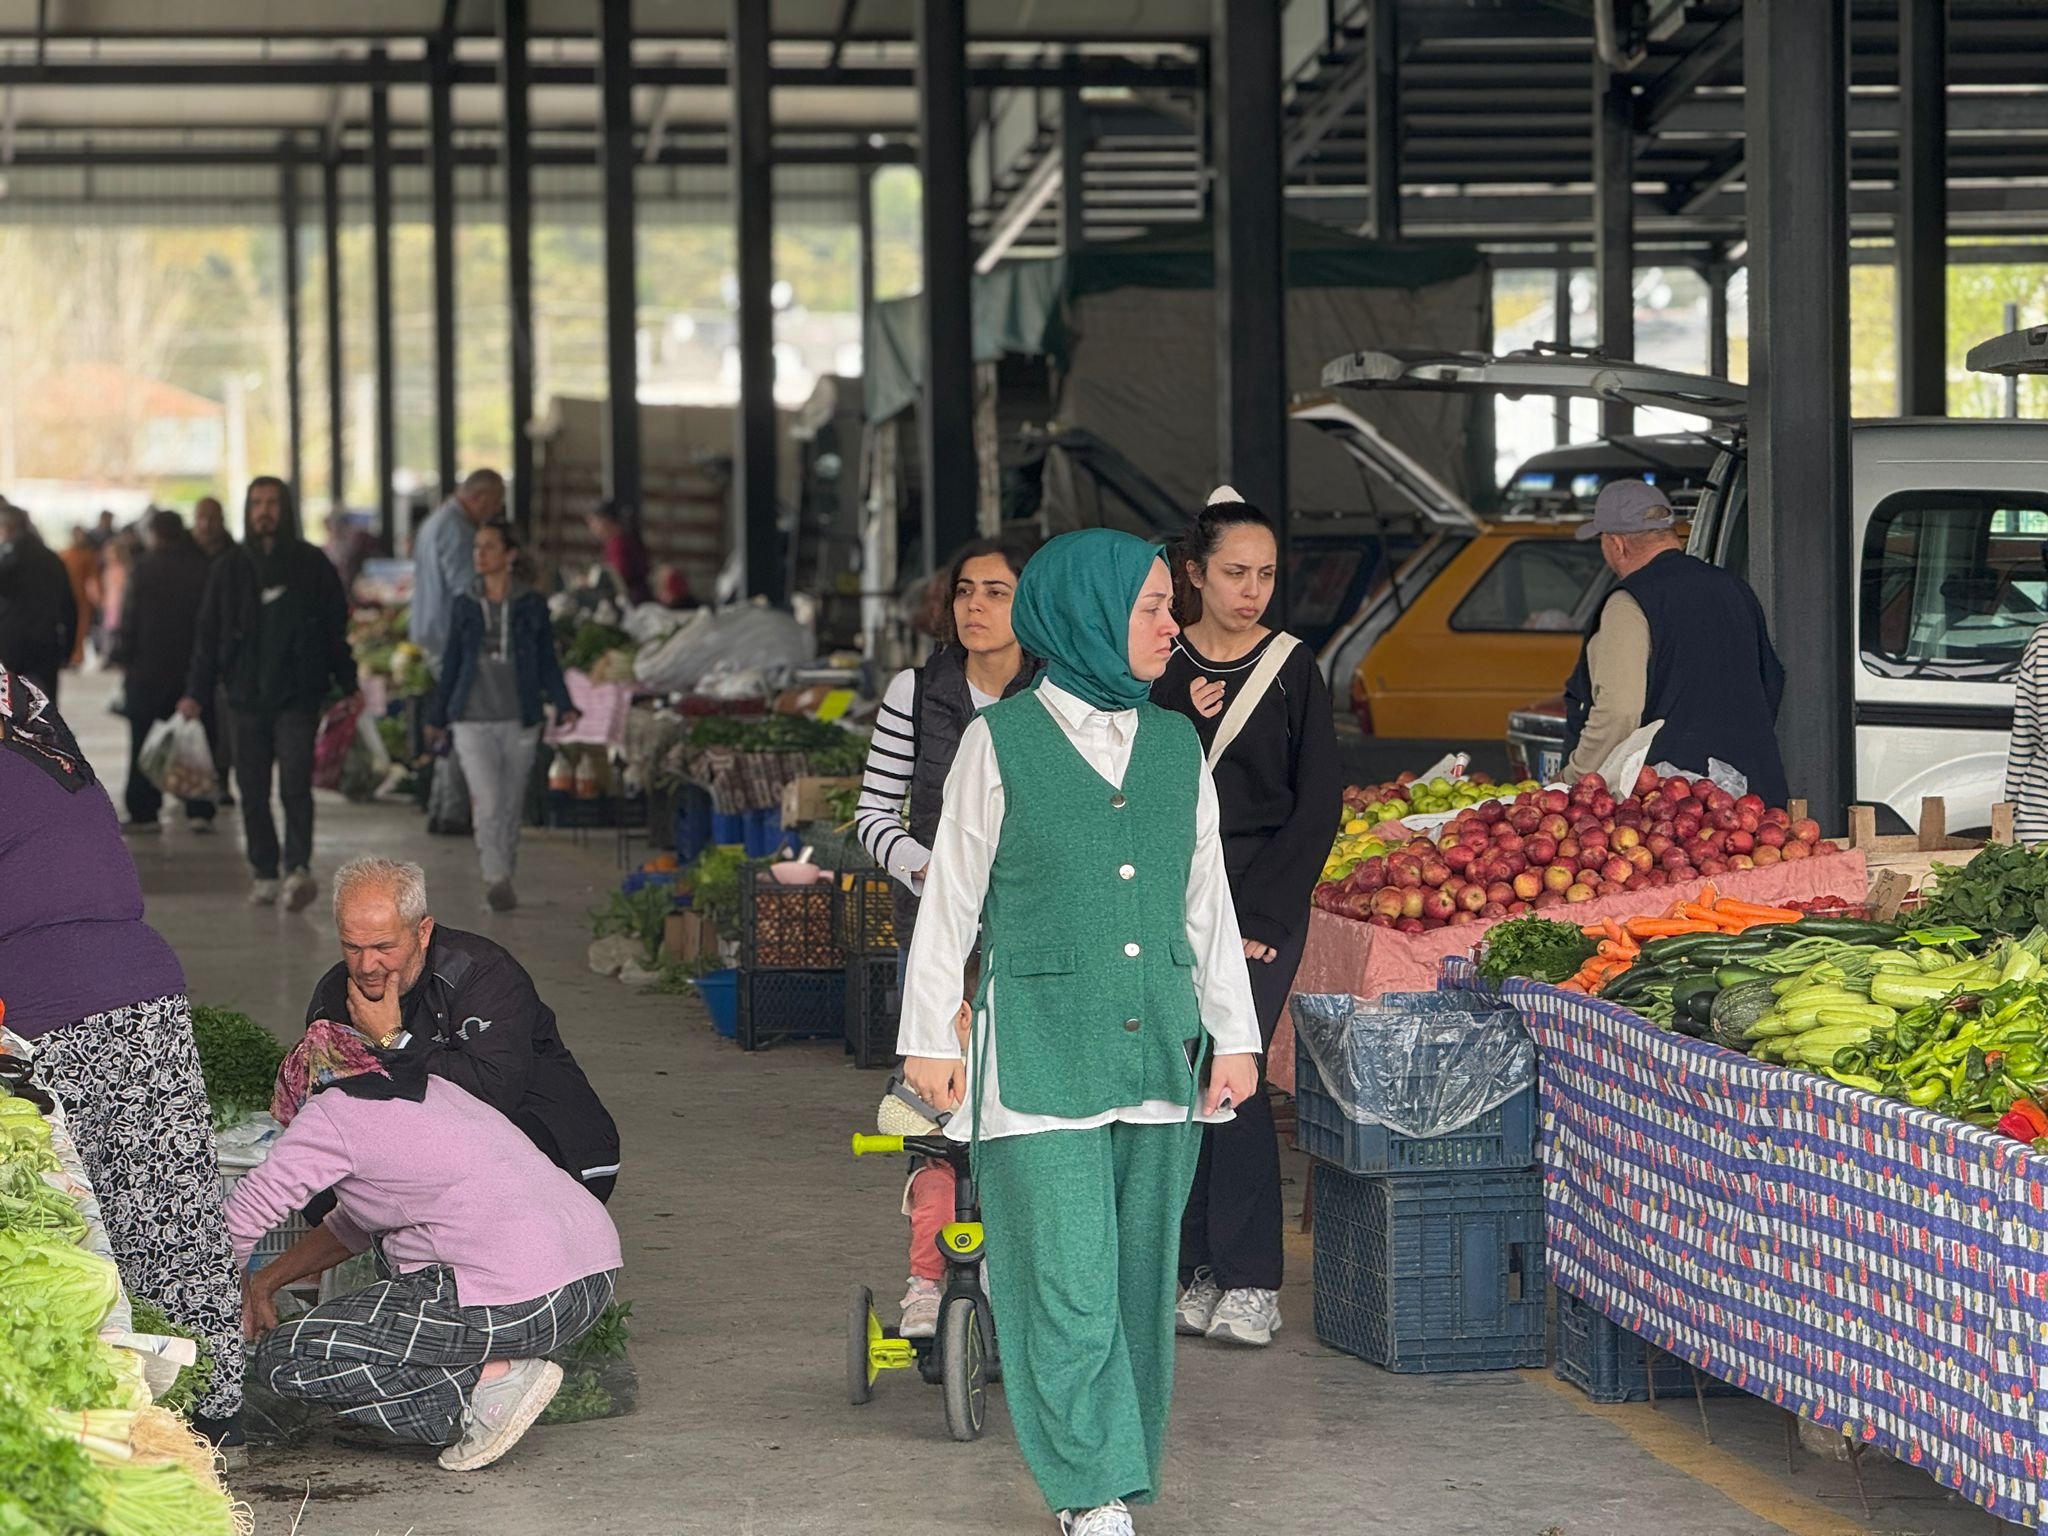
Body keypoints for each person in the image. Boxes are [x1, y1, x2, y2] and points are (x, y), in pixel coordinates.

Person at [901, 529, 1261, 1536]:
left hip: (1157, 1052)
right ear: (1088, 616)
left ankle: (1120, 1466)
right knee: (1061, 1280)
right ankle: (1087, 1491)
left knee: (1137, 1280)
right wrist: (928, 1036)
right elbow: (951, 903)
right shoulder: (998, 741)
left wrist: (1233, 1035)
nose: (1168, 625)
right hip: (1037, 1053)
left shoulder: (1175, 743)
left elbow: (1206, 904)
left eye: (1165, 605)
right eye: (1150, 607)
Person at [4, 665, 245, 1445]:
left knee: (76, 1229)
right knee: (174, 1211)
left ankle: (128, 1420)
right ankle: (211, 1408)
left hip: (53, 1009)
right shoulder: (47, 748)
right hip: (143, 989)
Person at [228, 1016, 620, 1471]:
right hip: (589, 1283)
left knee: (287, 1356)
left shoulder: (332, 1110)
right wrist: (263, 1283)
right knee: (386, 1273)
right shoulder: (434, 1091)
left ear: (301, 1089)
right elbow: (352, 1226)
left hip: (514, 1300)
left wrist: (211, 1302)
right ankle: (499, 1375)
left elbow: (247, 1210)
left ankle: (485, 1392)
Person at [1152, 488, 1340, 1348]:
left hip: (1261, 904)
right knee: (1178, 1080)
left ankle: (1254, 1279)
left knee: (1236, 1079)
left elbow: (1319, 806)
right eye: (1234, 573)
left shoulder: (1294, 666)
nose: (1251, 589)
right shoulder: (1158, 663)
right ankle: (1194, 1270)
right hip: (1167, 897)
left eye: (1264, 574)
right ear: (1193, 572)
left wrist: (1264, 909)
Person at [852, 538, 1039, 1339]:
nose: (975, 606)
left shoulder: (1058, 694)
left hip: (1035, 944)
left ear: (1031, 606)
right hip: (936, 942)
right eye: (966, 589)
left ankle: (1008, 1275)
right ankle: (928, 1282)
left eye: (997, 592)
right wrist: (933, 873)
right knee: (934, 1120)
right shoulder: (915, 690)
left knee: (1020, 1120)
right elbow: (871, 817)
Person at [303, 856, 621, 1201]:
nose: (366, 965)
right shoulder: (334, 994)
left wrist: (393, 1039)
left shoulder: (482, 973)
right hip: (437, 1144)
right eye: (352, 947)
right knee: (318, 1184)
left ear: (422, 932)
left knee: (434, 1179)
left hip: (561, 1146)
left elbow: (493, 1091)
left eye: (383, 947)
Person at [178, 476, 359, 911]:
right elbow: (208, 636)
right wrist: (195, 692)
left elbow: (337, 630)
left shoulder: (313, 564)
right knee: (252, 789)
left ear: (287, 508)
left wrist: (348, 684)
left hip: (298, 697)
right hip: (244, 699)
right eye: (257, 502)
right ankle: (264, 870)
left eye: (272, 503)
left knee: (295, 784)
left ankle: (298, 867)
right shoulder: (229, 568)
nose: (264, 511)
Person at [1562, 479, 1789, 805]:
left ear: (1616, 544)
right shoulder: (1734, 589)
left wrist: (1575, 777)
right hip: (1752, 801)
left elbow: (1619, 711)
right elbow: (1771, 683)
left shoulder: (1630, 602)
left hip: (1671, 808)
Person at [429, 520, 578, 911]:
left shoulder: (531, 605)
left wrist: (564, 703)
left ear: (509, 555)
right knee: (489, 800)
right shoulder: (463, 603)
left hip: (520, 716)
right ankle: (494, 875)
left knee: (511, 802)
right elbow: (451, 663)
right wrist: (437, 714)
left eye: (489, 546)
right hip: (471, 717)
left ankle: (505, 871)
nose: (480, 554)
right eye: (477, 547)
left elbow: (547, 660)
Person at [117, 509, 217, 832]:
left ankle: (145, 810)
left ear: (156, 534)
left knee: (143, 742)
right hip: (191, 672)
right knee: (197, 742)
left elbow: (129, 621)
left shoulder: (143, 569)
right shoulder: (204, 568)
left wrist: (123, 656)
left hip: (148, 672)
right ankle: (199, 806)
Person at [410, 469, 506, 667]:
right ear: (481, 497)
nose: (497, 510)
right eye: (496, 502)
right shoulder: (458, 530)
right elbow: (467, 589)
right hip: (447, 638)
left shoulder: (436, 520)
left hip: (429, 632)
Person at [0, 503, 79, 705]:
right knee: (44, 708)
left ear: (6, 527)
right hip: (45, 643)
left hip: (9, 645)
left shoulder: (6, 559)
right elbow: (69, 605)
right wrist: (69, 647)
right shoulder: (51, 559)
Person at [586, 500, 652, 608]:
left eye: (595, 522)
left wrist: (590, 582)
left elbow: (618, 578)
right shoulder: (624, 540)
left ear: (605, 521)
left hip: (632, 605)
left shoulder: (618, 544)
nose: (593, 528)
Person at [58, 528, 99, 668]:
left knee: (81, 627)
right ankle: (68, 655)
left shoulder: (88, 556)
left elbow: (93, 579)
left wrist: (97, 596)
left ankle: (76, 657)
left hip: (81, 598)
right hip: (66, 595)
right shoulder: (65, 554)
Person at [192, 495, 235, 562]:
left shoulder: (235, 555)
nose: (206, 524)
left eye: (212, 518)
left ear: (221, 519)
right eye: (201, 517)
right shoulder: (179, 552)